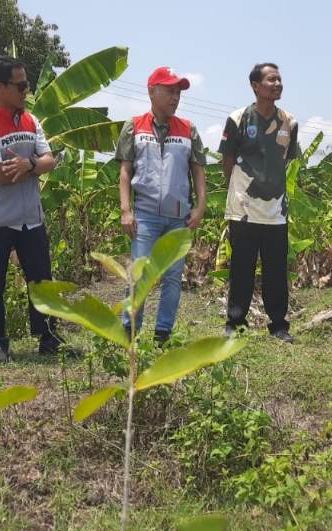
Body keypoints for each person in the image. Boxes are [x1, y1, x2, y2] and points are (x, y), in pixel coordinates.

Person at [0, 55, 63, 363]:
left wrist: (28, 164)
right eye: (20, 85)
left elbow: (50, 160)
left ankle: (48, 337)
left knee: (41, 281)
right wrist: (33, 166)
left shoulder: (31, 120)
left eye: (27, 84)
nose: (26, 91)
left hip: (31, 218)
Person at [115, 67, 208, 345]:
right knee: (140, 275)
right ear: (152, 91)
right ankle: (130, 331)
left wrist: (200, 207)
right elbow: (124, 173)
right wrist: (125, 210)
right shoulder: (134, 126)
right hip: (144, 216)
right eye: (169, 90)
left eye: (178, 92)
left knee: (172, 278)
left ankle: (162, 334)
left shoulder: (189, 129)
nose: (175, 96)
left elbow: (199, 173)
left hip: (178, 218)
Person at [219, 63, 301, 343]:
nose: (277, 84)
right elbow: (227, 159)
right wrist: (241, 190)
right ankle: (236, 322)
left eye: (279, 79)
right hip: (243, 209)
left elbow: (286, 158)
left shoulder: (290, 121)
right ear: (255, 85)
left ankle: (279, 324)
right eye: (271, 79)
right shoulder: (239, 118)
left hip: (276, 210)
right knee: (241, 266)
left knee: (276, 269)